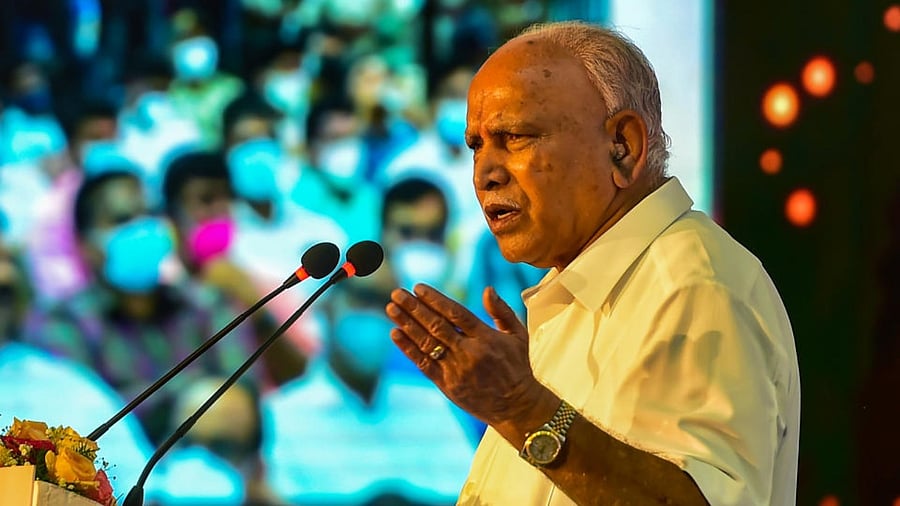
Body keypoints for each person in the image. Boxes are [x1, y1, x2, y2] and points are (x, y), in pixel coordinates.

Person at [384, 21, 800, 505]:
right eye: (477, 145)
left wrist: (524, 410)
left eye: (515, 137)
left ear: (622, 146)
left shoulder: (691, 287)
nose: (485, 174)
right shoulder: (581, 289)